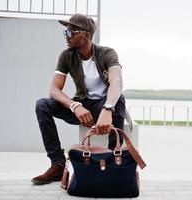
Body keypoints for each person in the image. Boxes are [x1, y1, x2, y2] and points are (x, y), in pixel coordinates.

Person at [31, 13, 126, 185]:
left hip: (104, 105)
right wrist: (74, 105)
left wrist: (108, 108)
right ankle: (58, 164)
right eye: (65, 32)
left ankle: (113, 161)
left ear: (86, 35)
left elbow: (117, 82)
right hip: (82, 105)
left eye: (70, 32)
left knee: (119, 100)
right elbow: (54, 89)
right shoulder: (67, 56)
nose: (66, 36)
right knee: (42, 105)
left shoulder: (107, 53)